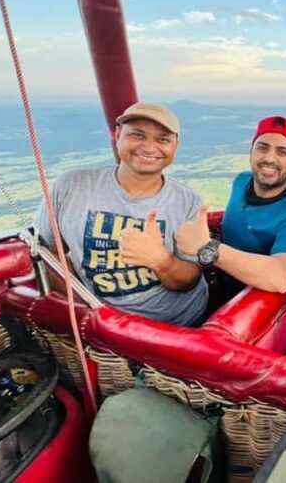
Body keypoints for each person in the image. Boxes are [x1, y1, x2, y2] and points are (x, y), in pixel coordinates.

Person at [37, 102, 207, 326]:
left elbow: (189, 278)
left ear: (175, 146)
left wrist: (161, 261)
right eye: (138, 135)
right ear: (117, 135)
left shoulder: (188, 202)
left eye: (162, 139)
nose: (149, 147)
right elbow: (48, 253)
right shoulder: (71, 185)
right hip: (103, 325)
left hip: (179, 324)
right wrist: (90, 311)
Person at [176, 116, 286, 302]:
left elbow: (281, 278)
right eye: (262, 147)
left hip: (245, 309)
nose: (270, 158)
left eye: (282, 152)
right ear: (251, 152)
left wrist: (207, 248)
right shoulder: (241, 180)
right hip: (221, 291)